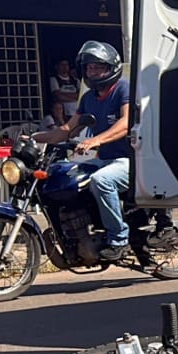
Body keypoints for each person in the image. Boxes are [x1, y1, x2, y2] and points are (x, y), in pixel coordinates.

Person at [33, 41, 132, 261]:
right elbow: (67, 130)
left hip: (130, 160)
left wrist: (95, 140)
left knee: (101, 181)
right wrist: (33, 138)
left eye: (97, 67)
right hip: (103, 159)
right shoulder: (88, 98)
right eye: (89, 67)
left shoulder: (123, 88)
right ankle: (77, 232)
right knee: (63, 174)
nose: (92, 72)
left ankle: (119, 239)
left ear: (111, 67)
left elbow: (126, 123)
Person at [44, 58, 79, 128]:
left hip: (75, 113)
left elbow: (80, 95)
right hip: (63, 114)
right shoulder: (54, 79)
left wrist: (64, 94)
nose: (65, 67)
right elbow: (58, 96)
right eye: (62, 65)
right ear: (57, 67)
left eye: (66, 65)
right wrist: (74, 97)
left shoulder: (75, 81)